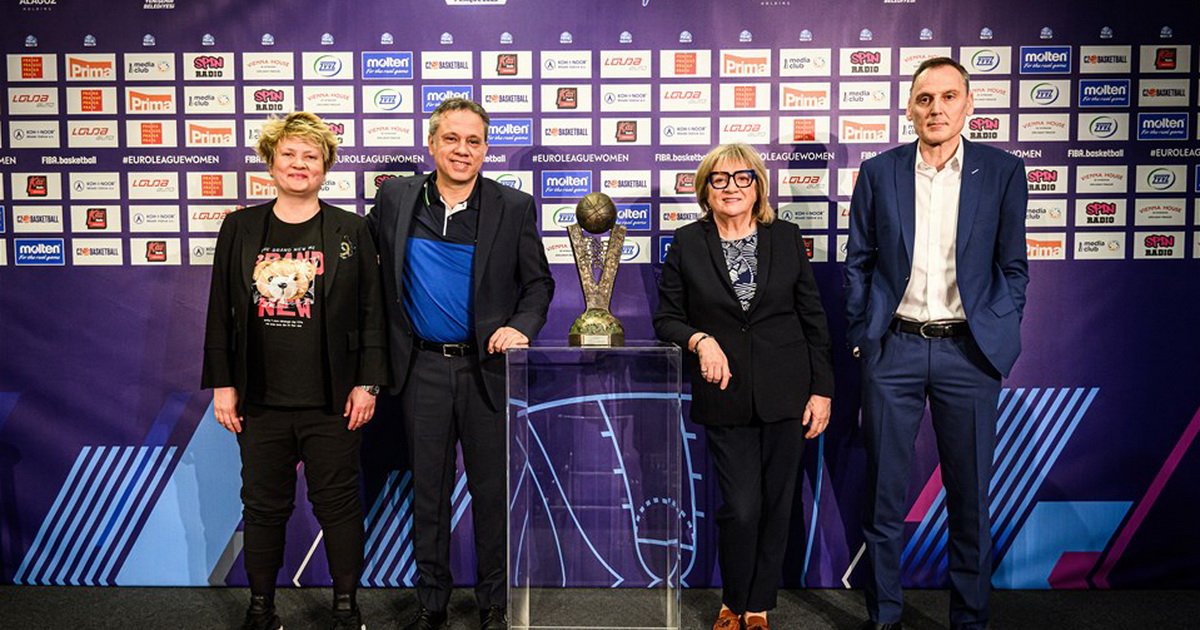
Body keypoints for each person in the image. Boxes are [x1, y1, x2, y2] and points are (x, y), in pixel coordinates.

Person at [846, 57, 1029, 630]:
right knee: (883, 495)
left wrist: (1001, 325)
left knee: (969, 498)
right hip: (894, 348)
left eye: (949, 97)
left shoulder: (1002, 171)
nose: (936, 109)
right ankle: (885, 616)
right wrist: (864, 335)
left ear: (968, 105)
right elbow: (859, 262)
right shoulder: (879, 172)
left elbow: (1014, 266)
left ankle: (969, 620)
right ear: (909, 108)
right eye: (925, 98)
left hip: (968, 353)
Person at [367, 98, 554, 630]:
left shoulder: (513, 206)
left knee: (491, 493)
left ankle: (493, 603)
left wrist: (522, 326)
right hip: (420, 369)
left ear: (486, 149)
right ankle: (432, 604)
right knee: (428, 492)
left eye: (474, 141)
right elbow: (363, 264)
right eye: (451, 138)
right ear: (432, 144)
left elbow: (538, 284)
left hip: (485, 370)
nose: (462, 150)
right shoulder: (396, 197)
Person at [202, 111, 388, 630]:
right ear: (271, 162)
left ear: (325, 166)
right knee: (263, 507)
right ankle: (261, 609)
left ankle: (346, 608)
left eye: (311, 156)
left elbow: (373, 312)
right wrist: (223, 385)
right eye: (289, 154)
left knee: (339, 506)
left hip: (333, 401)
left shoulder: (352, 229)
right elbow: (220, 311)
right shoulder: (240, 227)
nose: (299, 164)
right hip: (260, 400)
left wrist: (368, 383)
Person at [654, 143, 835, 630]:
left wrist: (822, 390)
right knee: (740, 507)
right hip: (725, 394)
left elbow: (813, 319)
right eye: (719, 179)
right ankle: (732, 600)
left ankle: (757, 606)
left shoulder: (786, 237)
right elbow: (666, 318)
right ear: (705, 189)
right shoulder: (687, 242)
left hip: (787, 392)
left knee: (777, 503)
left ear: (758, 186)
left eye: (742, 177)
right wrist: (701, 340)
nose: (731, 187)